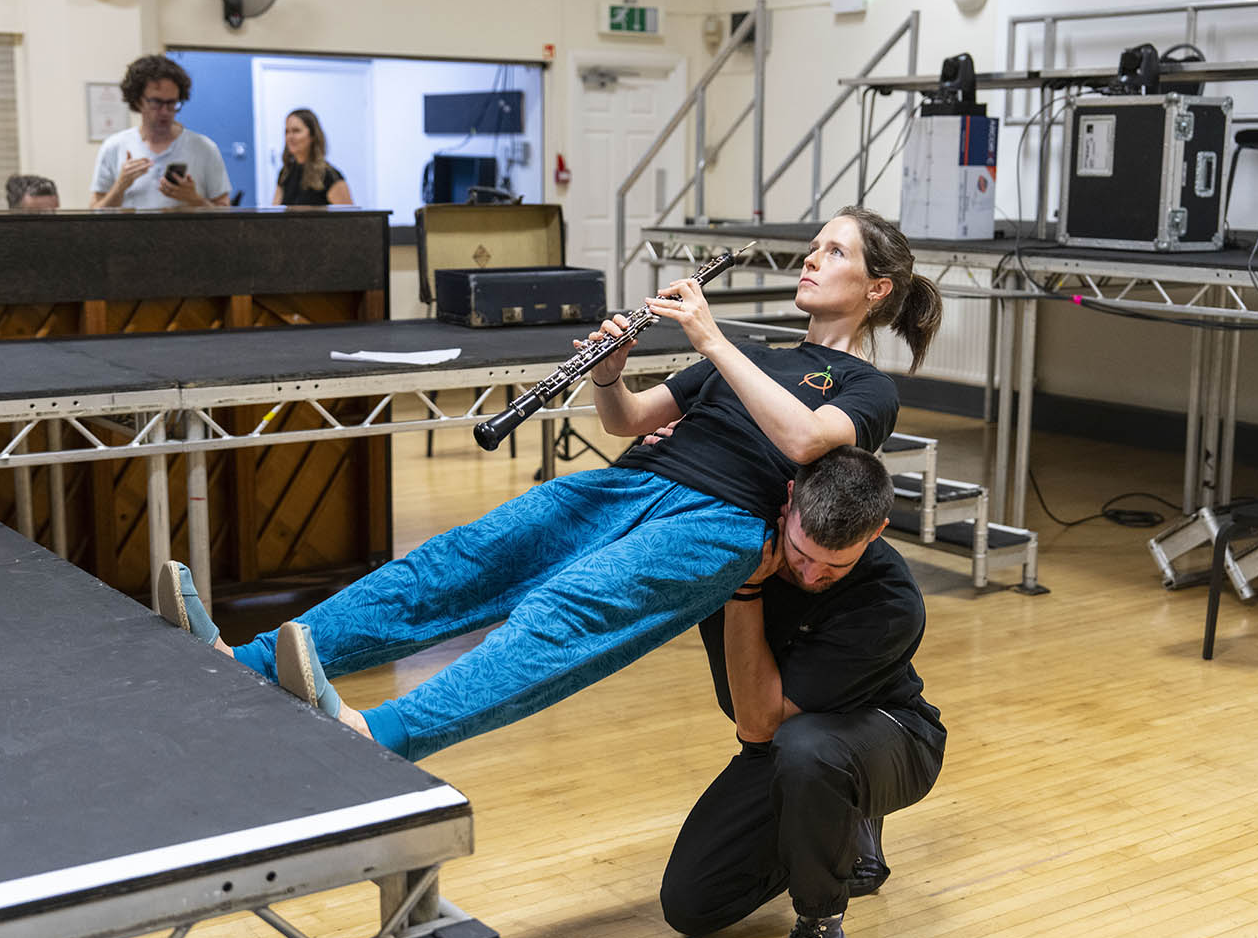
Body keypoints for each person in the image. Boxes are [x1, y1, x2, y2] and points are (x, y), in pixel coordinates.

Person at [156, 206, 943, 763]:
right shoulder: (756, 353)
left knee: (560, 619)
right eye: (814, 247)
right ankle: (252, 659)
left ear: (878, 290)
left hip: (721, 523)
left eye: (833, 253)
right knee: (454, 563)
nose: (811, 259)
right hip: (631, 484)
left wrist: (709, 334)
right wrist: (609, 375)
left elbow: (805, 438)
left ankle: (385, 734)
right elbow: (629, 420)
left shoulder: (866, 386)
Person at [659, 446, 944, 938]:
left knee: (806, 748)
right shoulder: (741, 527)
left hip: (891, 736)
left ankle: (822, 928)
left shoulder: (891, 602)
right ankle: (841, 829)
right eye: (802, 554)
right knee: (691, 906)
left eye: (835, 565)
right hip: (793, 748)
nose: (812, 576)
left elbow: (759, 724)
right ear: (788, 502)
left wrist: (745, 591)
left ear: (876, 532)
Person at [89, 54, 231, 210]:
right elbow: (95, 213)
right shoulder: (114, 147)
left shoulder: (205, 148)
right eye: (156, 102)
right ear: (137, 100)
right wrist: (120, 187)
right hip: (130, 234)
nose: (165, 112)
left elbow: (225, 211)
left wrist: (194, 199)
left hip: (189, 234)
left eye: (171, 103)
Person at [271, 108, 354, 205]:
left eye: (296, 131)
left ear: (312, 135)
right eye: (287, 131)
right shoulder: (285, 173)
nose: (290, 137)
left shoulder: (329, 176)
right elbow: (275, 211)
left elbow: (349, 218)